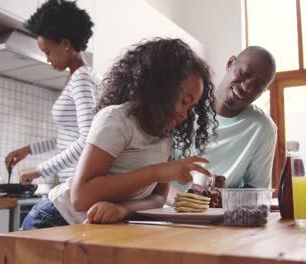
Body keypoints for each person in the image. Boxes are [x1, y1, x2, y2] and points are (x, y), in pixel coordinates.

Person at [21, 38, 218, 229]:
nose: (185, 114)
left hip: (96, 228)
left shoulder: (165, 138)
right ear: (160, 88)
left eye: (192, 108)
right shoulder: (116, 120)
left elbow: (158, 198)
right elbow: (80, 197)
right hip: (56, 219)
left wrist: (122, 209)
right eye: (184, 101)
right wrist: (157, 172)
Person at [4, 0, 102, 185]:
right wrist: (29, 149)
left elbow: (89, 139)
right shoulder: (76, 77)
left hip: (77, 182)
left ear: (65, 44)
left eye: (48, 51)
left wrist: (39, 170)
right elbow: (70, 135)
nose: (47, 59)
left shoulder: (82, 78)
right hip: (72, 181)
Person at [167, 46, 277, 205]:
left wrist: (225, 195)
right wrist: (186, 200)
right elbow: (149, 173)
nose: (246, 87)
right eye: (244, 74)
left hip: (218, 221)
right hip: (162, 214)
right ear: (231, 63)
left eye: (258, 86)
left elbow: (257, 193)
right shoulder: (184, 105)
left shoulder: (263, 129)